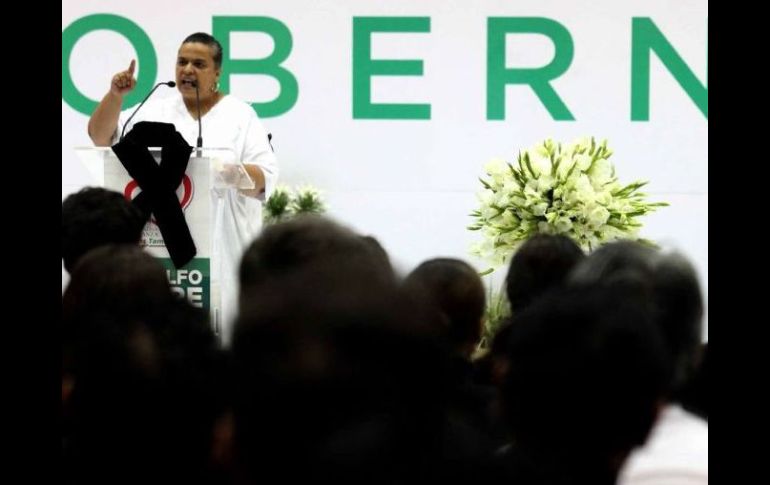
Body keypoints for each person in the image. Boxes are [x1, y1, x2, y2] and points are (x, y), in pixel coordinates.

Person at [87, 32, 278, 345]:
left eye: (199, 64)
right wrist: (115, 96)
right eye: (182, 61)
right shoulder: (153, 110)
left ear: (217, 73)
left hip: (219, 258)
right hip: (156, 252)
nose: (187, 69)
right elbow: (99, 136)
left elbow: (265, 178)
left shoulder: (240, 115)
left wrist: (230, 174)